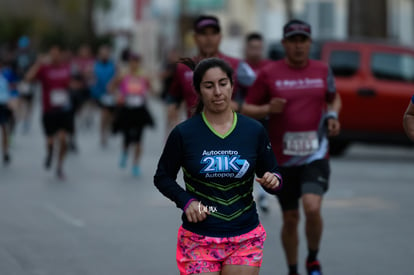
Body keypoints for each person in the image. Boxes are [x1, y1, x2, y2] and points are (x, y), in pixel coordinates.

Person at [154, 57, 282, 275]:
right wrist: (187, 201)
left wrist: (273, 180)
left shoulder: (253, 130)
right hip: (199, 238)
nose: (217, 92)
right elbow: (162, 177)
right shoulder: (184, 134)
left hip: (245, 235)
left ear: (232, 85)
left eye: (223, 83)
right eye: (209, 85)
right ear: (198, 90)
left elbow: (273, 173)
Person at [242, 19, 341, 275]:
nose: (298, 46)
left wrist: (332, 117)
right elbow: (246, 108)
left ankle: (313, 258)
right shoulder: (269, 73)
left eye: (303, 41)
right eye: (293, 41)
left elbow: (334, 99)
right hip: (281, 160)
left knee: (311, 206)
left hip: (315, 154)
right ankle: (293, 269)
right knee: (290, 218)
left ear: (310, 43)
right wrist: (266, 109)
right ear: (285, 43)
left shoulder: (322, 70)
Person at [166, 15, 255, 128]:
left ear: (220, 37)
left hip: (231, 134)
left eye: (213, 33)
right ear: (195, 38)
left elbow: (257, 98)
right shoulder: (184, 68)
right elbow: (173, 98)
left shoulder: (238, 65)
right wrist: (172, 111)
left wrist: (238, 106)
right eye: (203, 33)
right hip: (196, 134)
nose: (209, 38)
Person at [25, 45, 73, 180]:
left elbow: (71, 83)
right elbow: (28, 78)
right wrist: (38, 63)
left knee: (64, 139)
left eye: (57, 54)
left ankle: (60, 166)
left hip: (64, 109)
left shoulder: (66, 67)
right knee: (50, 140)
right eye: (52, 55)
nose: (55, 57)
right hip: (49, 110)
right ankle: (50, 153)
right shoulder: (44, 69)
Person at [242, 32, 273, 213]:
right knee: (245, 159)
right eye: (252, 47)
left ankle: (263, 195)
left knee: (263, 158)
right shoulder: (239, 67)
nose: (256, 51)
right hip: (243, 120)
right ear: (246, 48)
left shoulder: (269, 67)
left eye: (259, 48)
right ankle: (246, 194)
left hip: (264, 119)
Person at [109, 53, 153, 177]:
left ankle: (136, 165)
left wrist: (149, 91)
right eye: (132, 61)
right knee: (127, 136)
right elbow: (111, 86)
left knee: (139, 139)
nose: (135, 64)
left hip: (140, 110)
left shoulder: (143, 75)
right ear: (129, 63)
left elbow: (151, 89)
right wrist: (118, 96)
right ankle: (124, 152)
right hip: (126, 110)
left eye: (137, 61)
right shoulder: (123, 75)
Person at [90, 45, 117, 148]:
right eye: (103, 53)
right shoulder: (95, 66)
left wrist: (114, 85)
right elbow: (92, 78)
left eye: (106, 53)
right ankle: (102, 135)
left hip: (111, 95)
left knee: (110, 116)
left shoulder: (113, 65)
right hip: (100, 94)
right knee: (104, 114)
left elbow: (117, 77)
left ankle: (107, 128)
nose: (105, 55)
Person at [0, 57, 12, 165]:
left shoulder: (5, 76)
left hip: (3, 105)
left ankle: (5, 152)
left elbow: (11, 89)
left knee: (4, 129)